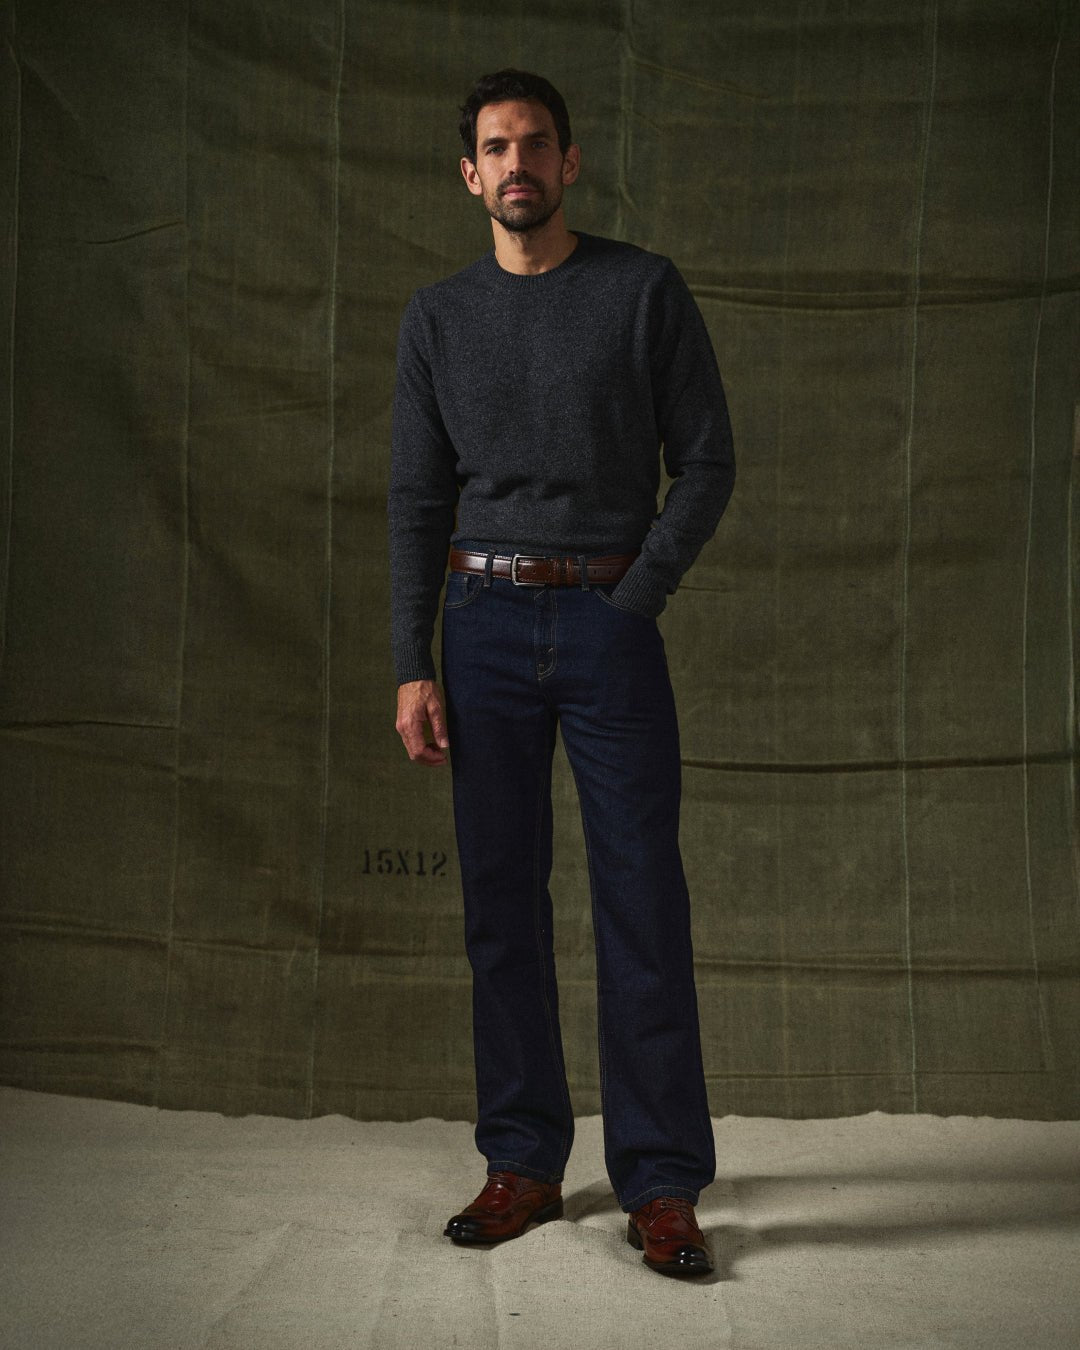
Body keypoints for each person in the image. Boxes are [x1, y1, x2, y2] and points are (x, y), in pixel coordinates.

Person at [388, 68, 735, 1278]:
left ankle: (662, 1182)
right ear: (470, 175)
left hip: (607, 622)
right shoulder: (437, 317)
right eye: (495, 147)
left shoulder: (642, 291)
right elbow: (416, 499)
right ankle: (525, 1162)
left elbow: (708, 461)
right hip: (480, 626)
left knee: (642, 897)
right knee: (500, 903)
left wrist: (637, 597)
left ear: (569, 162)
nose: (517, 162)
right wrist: (411, 662)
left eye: (536, 142)